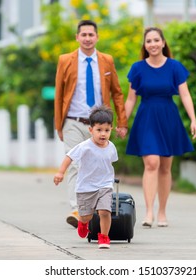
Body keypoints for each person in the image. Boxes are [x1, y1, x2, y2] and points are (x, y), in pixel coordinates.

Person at [54, 19, 128, 228]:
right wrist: (59, 124)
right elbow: (59, 94)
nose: (87, 38)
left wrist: (121, 122)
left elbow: (117, 92)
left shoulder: (106, 60)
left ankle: (96, 208)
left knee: (97, 166)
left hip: (100, 124)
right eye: (83, 35)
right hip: (73, 121)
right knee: (76, 164)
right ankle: (77, 209)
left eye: (91, 35)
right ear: (77, 37)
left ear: (97, 37)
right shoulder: (65, 60)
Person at [124, 27, 196, 228]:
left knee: (165, 167)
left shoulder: (175, 67)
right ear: (145, 45)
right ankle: (148, 213)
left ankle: (162, 212)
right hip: (146, 117)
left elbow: (185, 95)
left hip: (168, 117)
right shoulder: (138, 68)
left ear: (163, 43)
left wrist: (193, 119)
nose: (153, 44)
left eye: (157, 40)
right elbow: (131, 99)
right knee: (151, 163)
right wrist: (122, 122)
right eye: (149, 41)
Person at [53, 105, 117, 249]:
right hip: (86, 187)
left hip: (105, 185)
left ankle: (104, 237)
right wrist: (60, 172)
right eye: (99, 130)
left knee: (105, 211)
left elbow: (109, 163)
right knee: (86, 216)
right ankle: (83, 223)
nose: (103, 134)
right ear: (91, 130)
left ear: (111, 129)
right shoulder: (84, 146)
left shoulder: (111, 147)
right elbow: (69, 156)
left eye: (106, 130)